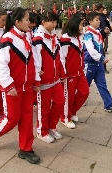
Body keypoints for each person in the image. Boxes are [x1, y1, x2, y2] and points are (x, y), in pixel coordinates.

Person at [0, 7, 41, 165]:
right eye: (26, 20)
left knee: (26, 119)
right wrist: (9, 85)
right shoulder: (7, 39)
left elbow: (33, 61)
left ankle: (25, 149)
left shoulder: (27, 37)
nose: (29, 22)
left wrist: (36, 80)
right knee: (12, 119)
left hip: (27, 88)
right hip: (12, 89)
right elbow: (1, 66)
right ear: (17, 22)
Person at [32, 11, 66, 143]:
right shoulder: (38, 39)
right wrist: (37, 79)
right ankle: (42, 131)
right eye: (51, 21)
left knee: (60, 101)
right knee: (44, 107)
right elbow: (36, 61)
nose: (54, 24)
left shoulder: (55, 38)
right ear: (43, 22)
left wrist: (62, 72)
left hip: (55, 78)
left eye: (55, 22)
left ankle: (52, 126)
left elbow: (60, 56)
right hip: (44, 80)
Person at [83, 12, 112, 113]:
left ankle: (109, 105)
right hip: (89, 64)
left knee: (102, 85)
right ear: (90, 22)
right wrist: (101, 58)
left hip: (98, 65)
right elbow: (90, 50)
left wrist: (102, 58)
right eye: (97, 20)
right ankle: (78, 101)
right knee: (85, 86)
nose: (99, 21)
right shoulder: (88, 34)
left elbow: (100, 47)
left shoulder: (97, 32)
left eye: (99, 20)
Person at [59, 14, 89, 129]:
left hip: (79, 71)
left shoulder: (78, 37)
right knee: (68, 97)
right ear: (75, 24)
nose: (82, 26)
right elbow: (62, 57)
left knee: (84, 92)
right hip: (69, 73)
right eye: (81, 24)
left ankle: (72, 112)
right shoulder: (65, 39)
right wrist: (63, 72)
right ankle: (64, 117)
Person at [95, 4, 111, 73]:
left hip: (101, 35)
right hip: (97, 35)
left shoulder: (102, 16)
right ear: (101, 9)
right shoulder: (97, 16)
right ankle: (101, 67)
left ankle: (102, 67)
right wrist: (103, 29)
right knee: (100, 51)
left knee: (101, 51)